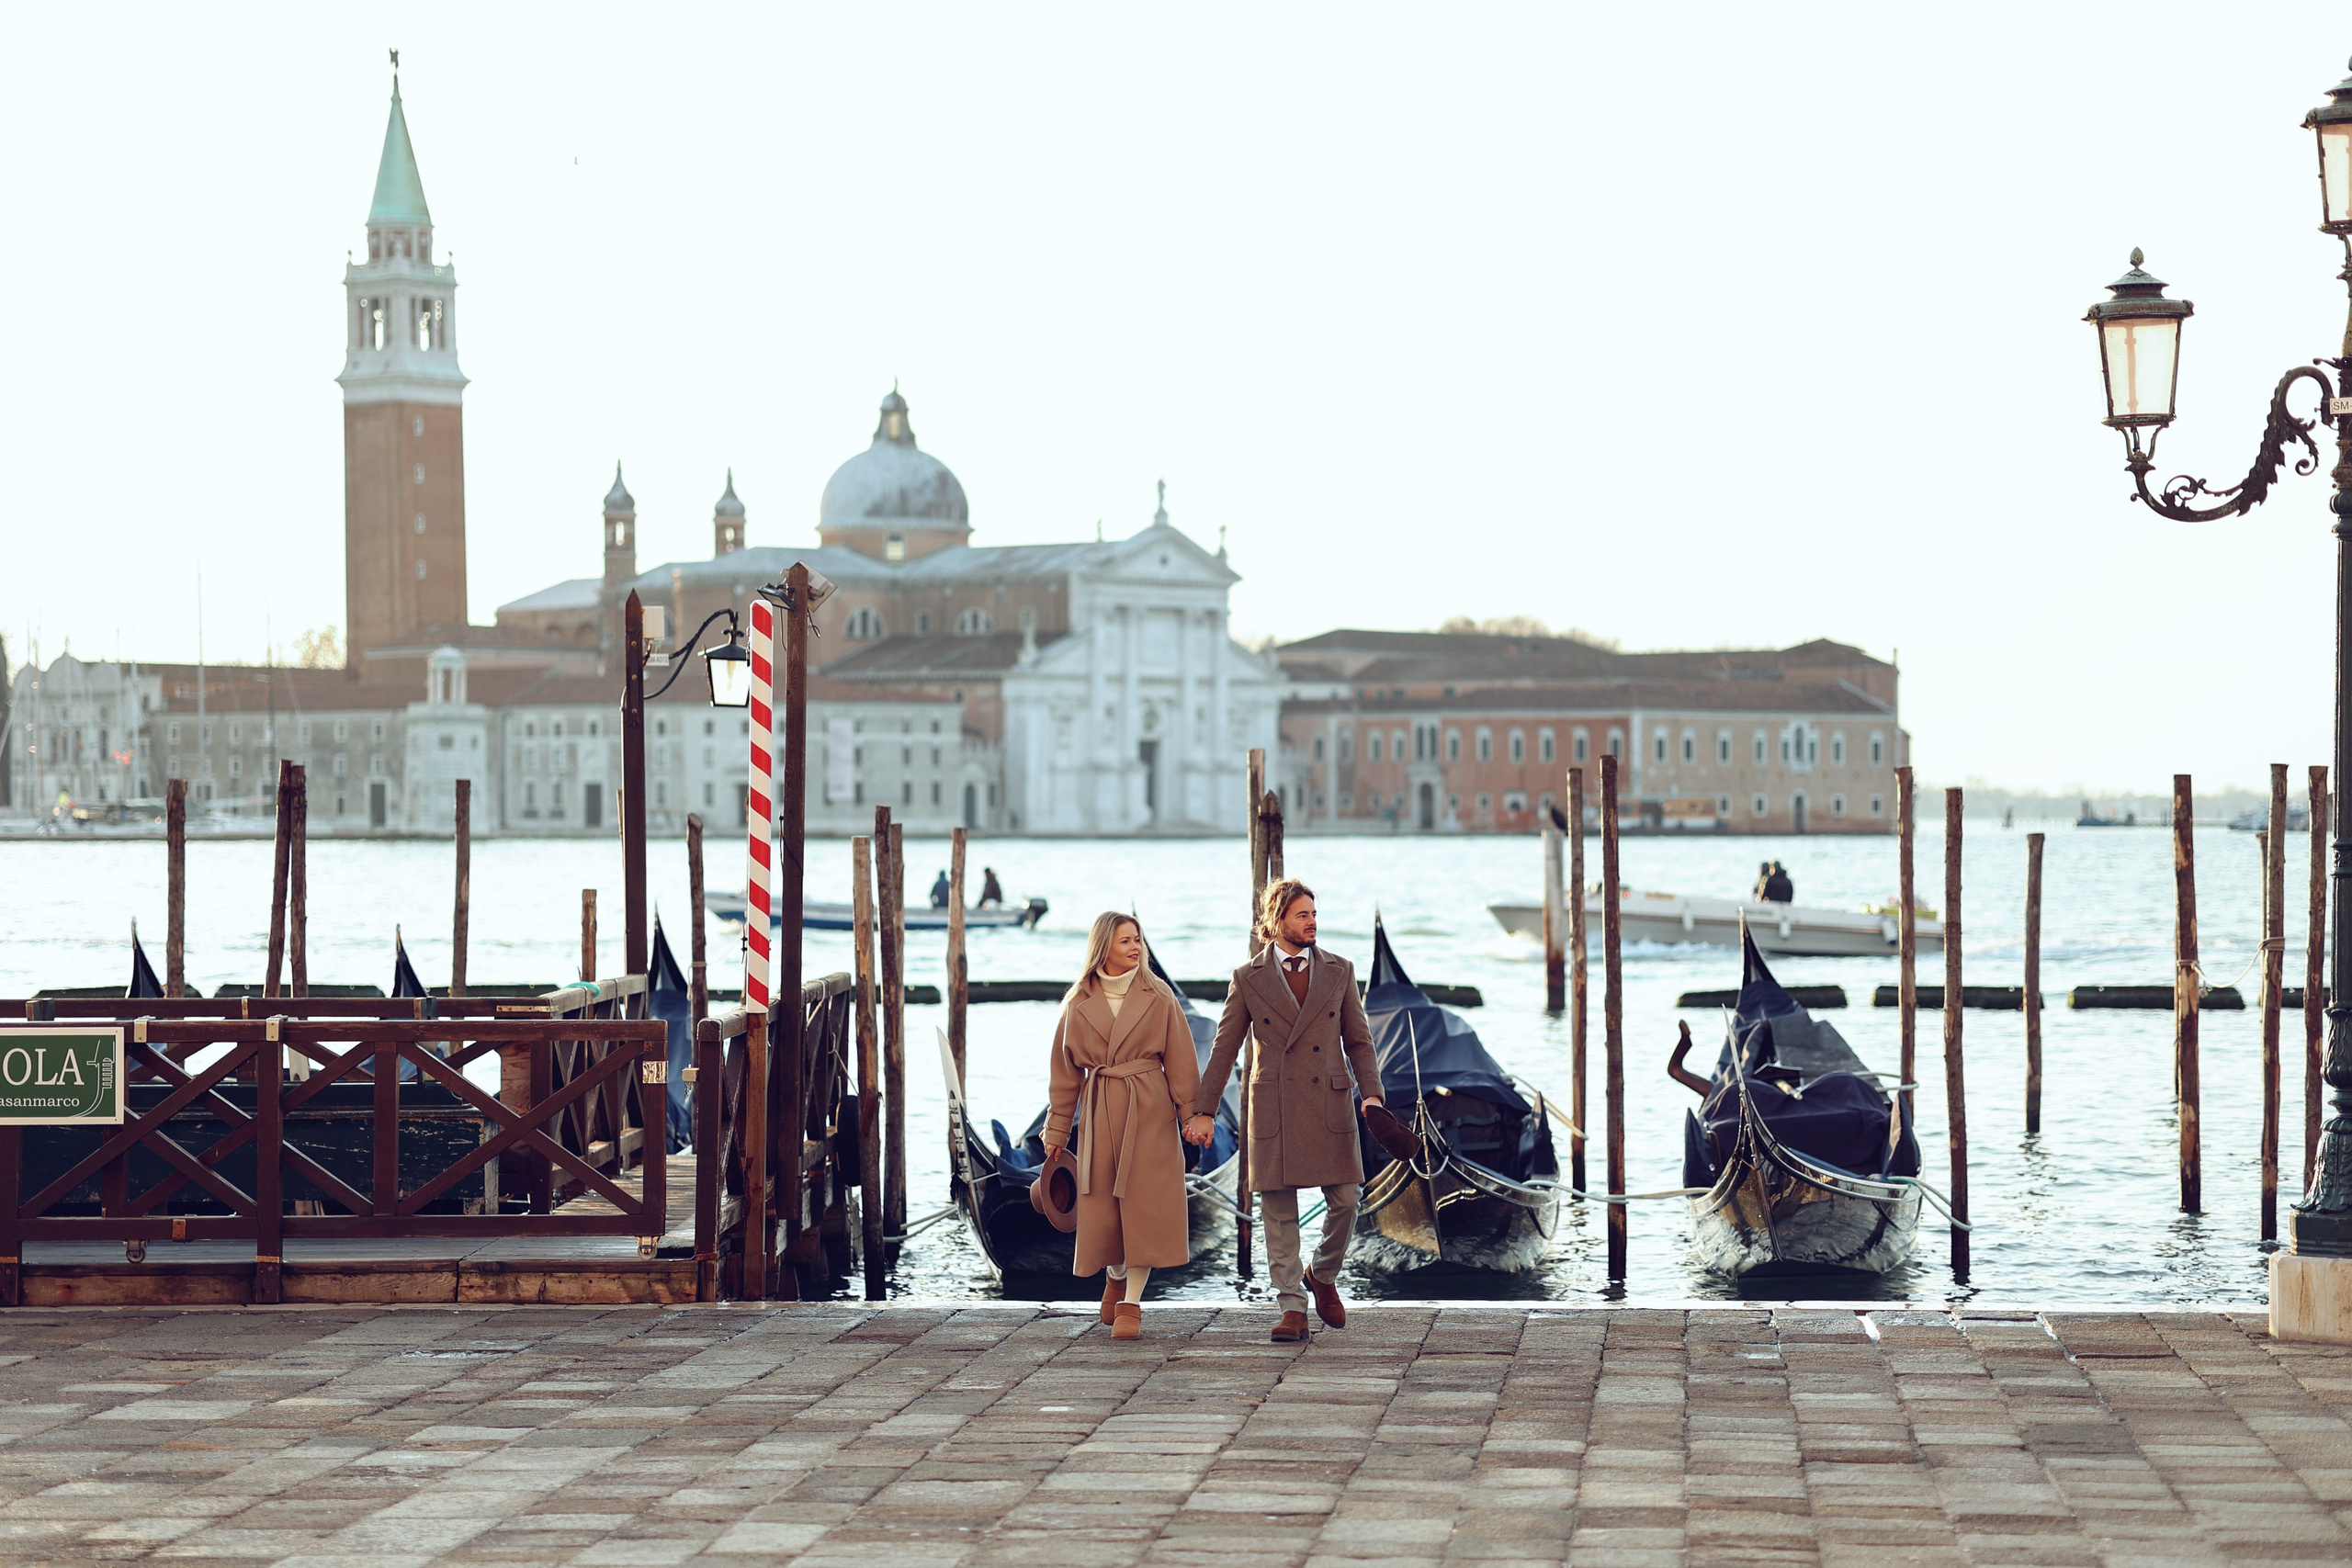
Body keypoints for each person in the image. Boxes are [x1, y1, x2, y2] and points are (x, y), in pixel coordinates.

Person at [1188, 878, 1385, 1343]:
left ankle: (1322, 1273)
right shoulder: (1247, 977)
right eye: (1302, 915)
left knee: (1347, 1200)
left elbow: (1359, 1039)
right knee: (1279, 1213)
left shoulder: (1340, 970)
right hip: (1274, 1102)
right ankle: (1292, 1305)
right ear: (1276, 922)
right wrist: (1204, 1110)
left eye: (1314, 914)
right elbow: (1223, 1049)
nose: (1312, 922)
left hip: (1329, 1100)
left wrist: (1371, 1093)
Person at [1040, 913, 1201, 1341]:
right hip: (1100, 1109)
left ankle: (1131, 1301)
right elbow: (1064, 1074)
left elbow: (1182, 1060)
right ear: (1103, 946)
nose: (1136, 948)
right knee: (1105, 1207)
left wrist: (1192, 1116)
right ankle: (1113, 1274)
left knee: (1146, 1205)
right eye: (1126, 940)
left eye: (1138, 940)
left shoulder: (1159, 994)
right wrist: (1057, 1132)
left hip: (1150, 1108)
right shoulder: (1077, 1002)